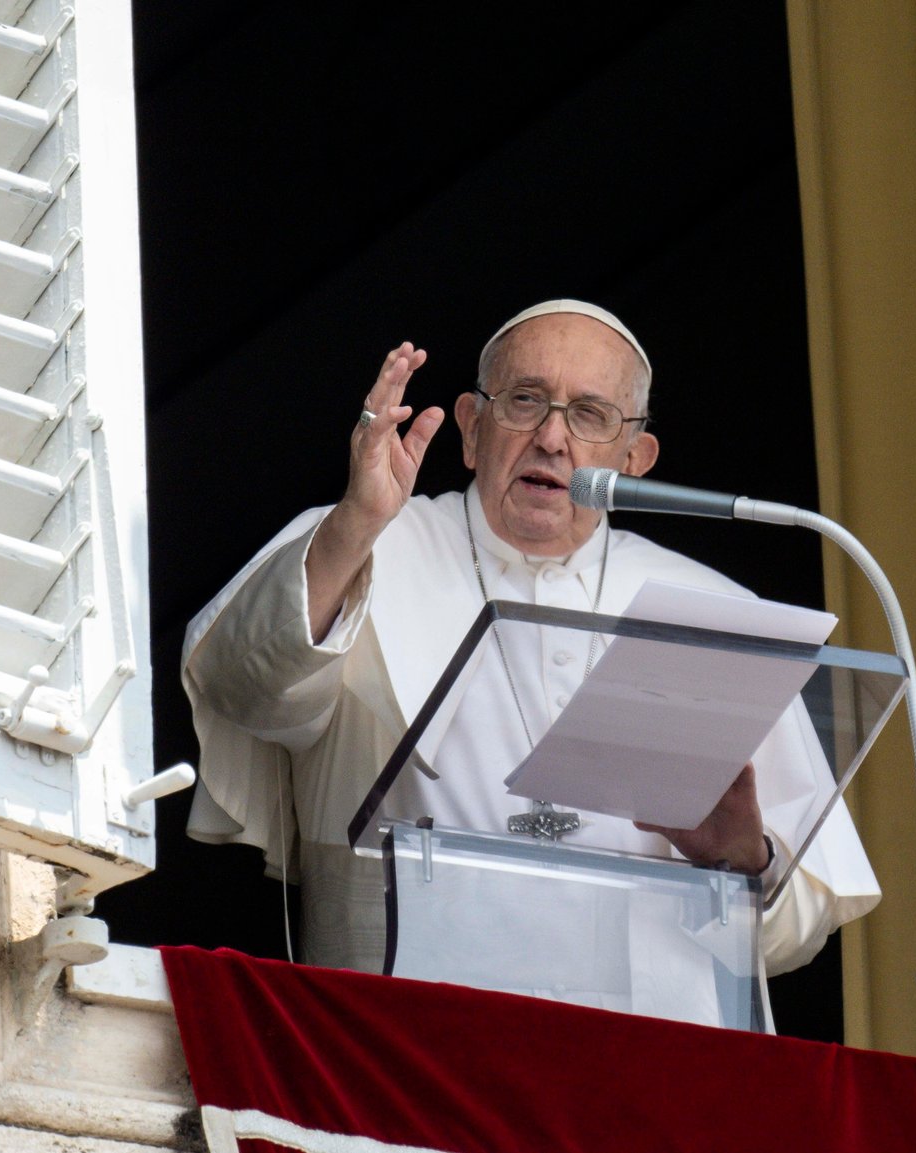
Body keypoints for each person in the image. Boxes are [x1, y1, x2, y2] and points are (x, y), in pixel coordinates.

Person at [181, 300, 879, 1023]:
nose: (552, 437)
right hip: (402, 1055)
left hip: (647, 1083)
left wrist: (741, 861)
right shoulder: (364, 548)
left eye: (590, 414)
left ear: (635, 460)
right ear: (472, 430)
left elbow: (804, 924)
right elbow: (250, 686)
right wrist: (355, 522)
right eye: (525, 400)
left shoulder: (710, 612)